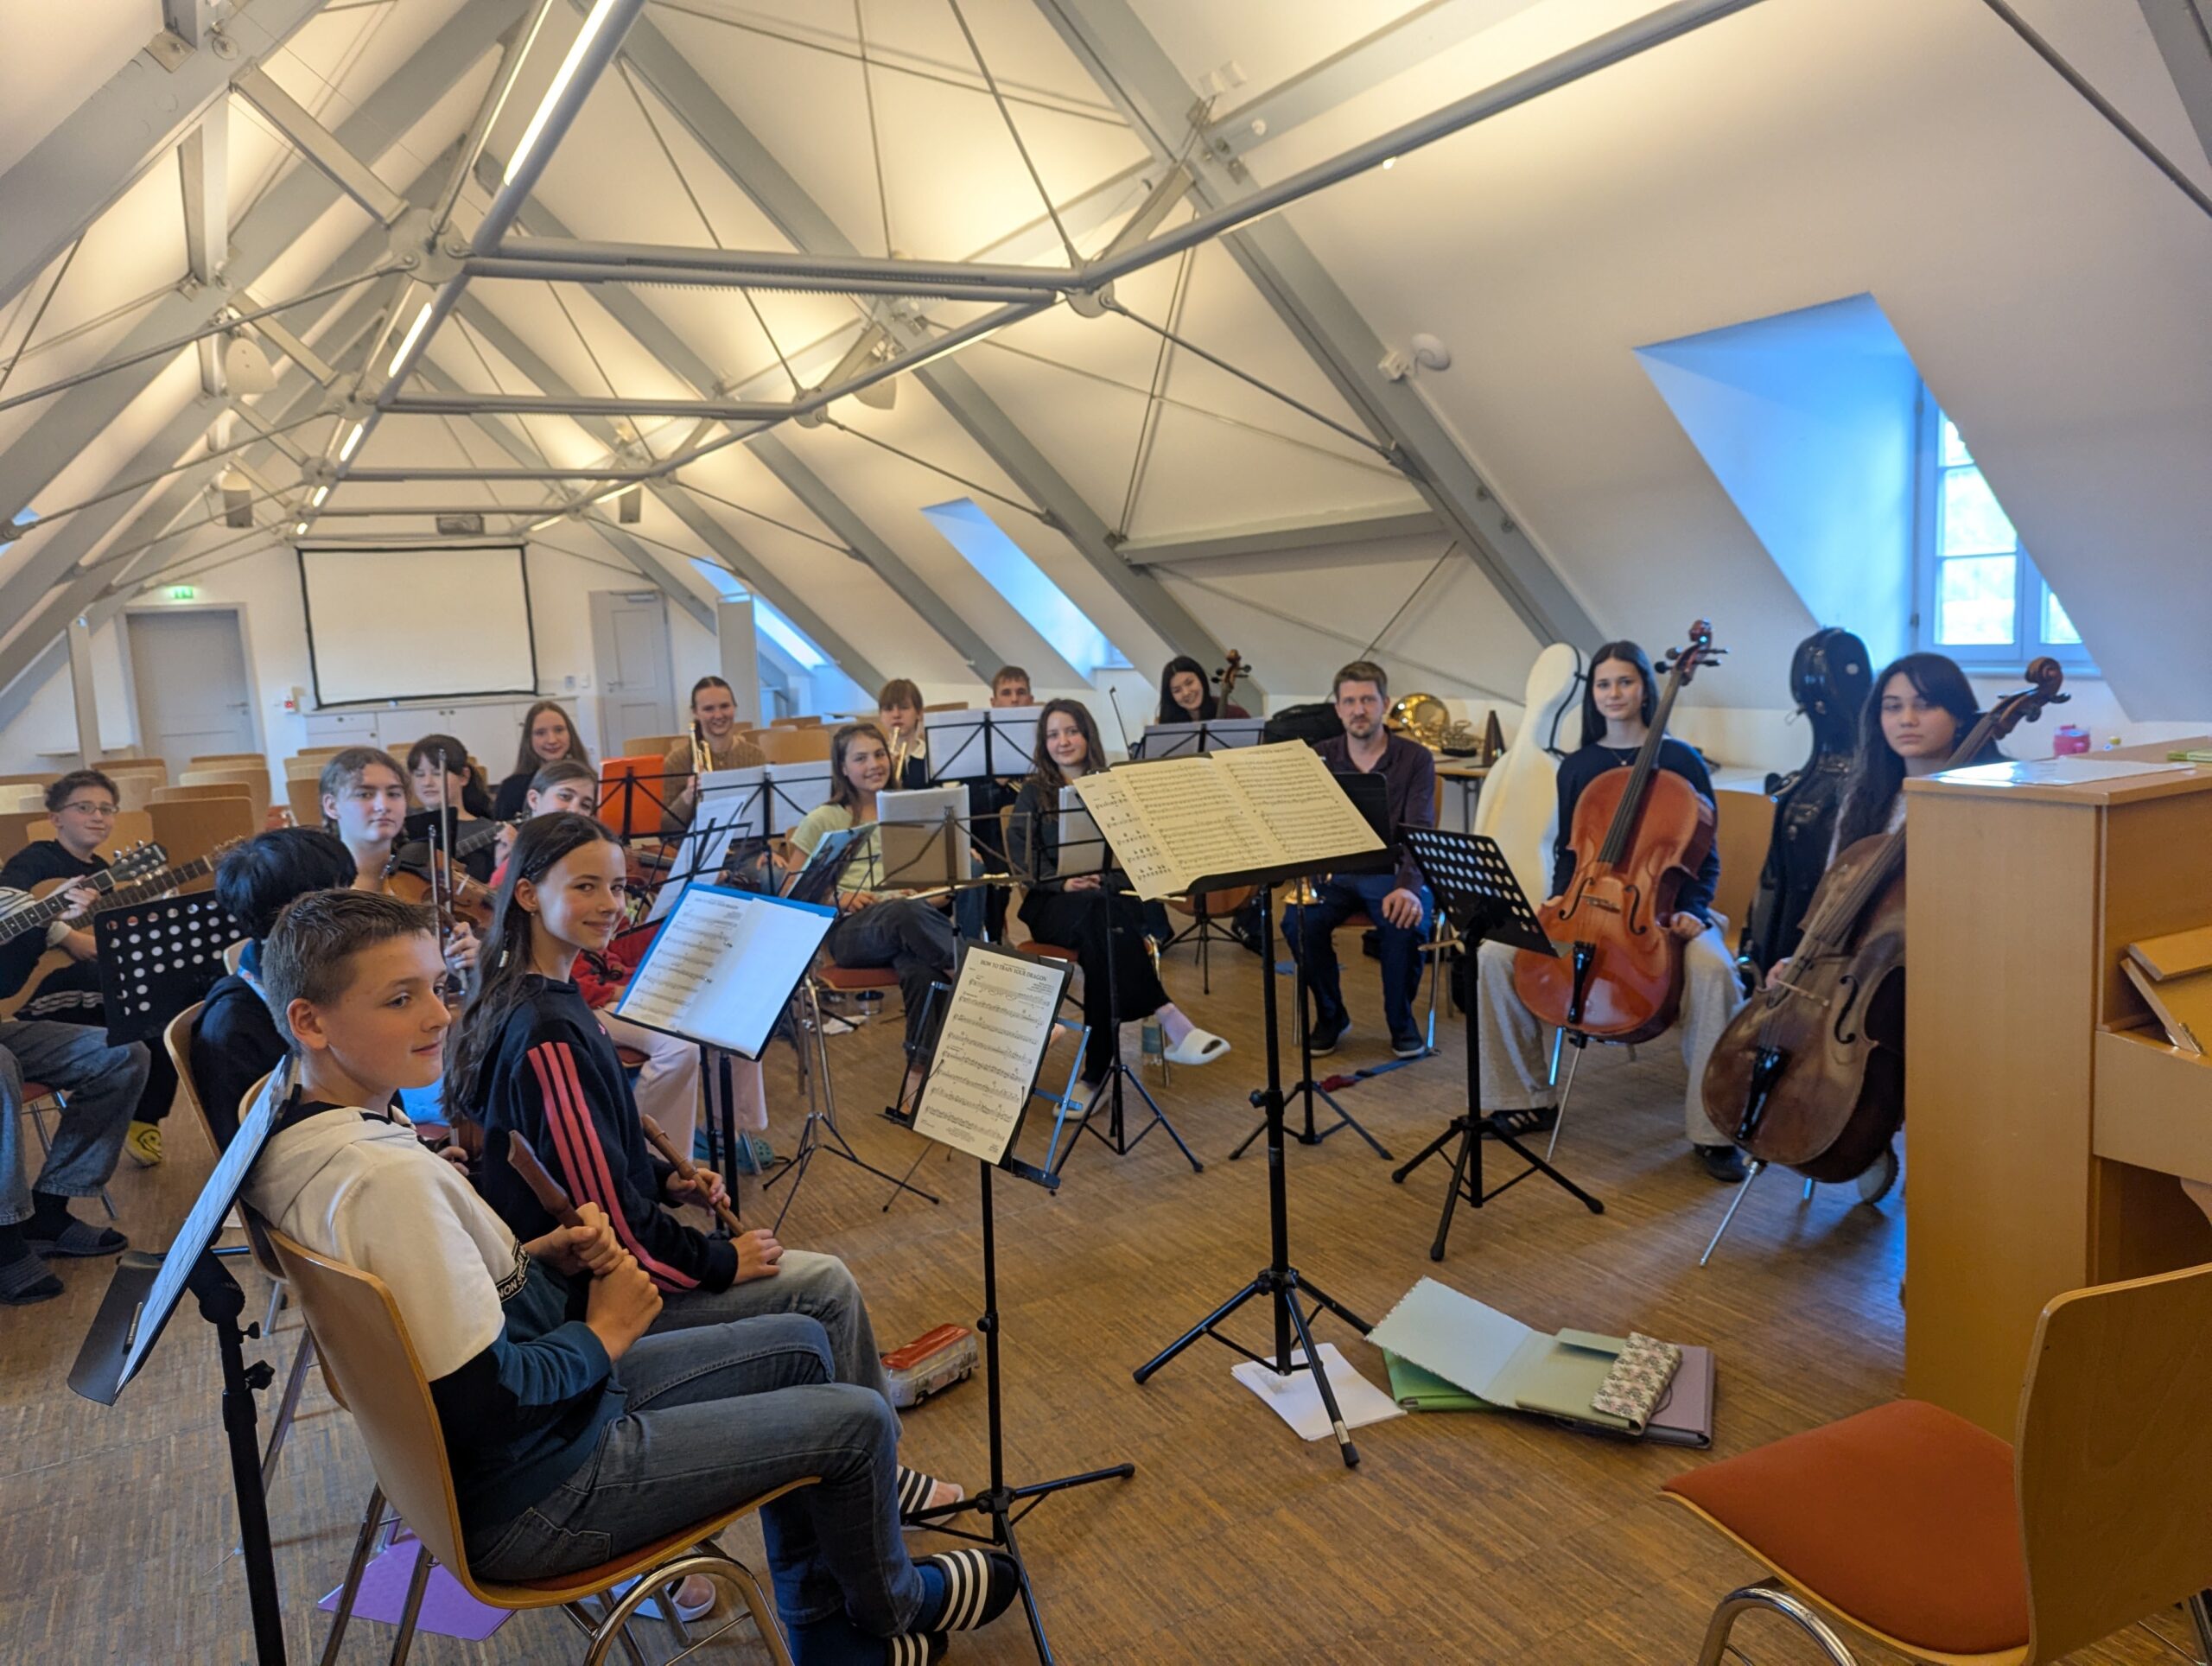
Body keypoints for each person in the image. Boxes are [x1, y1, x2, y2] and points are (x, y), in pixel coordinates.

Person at [243, 890, 1016, 1663]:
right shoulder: (386, 1182)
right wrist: (605, 1333)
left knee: (805, 1347)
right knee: (859, 1420)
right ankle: (891, 1606)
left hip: (508, 1449)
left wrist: (535, 1257)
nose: (441, 1016)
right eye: (400, 999)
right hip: (537, 1491)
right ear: (309, 1021)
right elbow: (486, 1404)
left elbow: (431, 1307)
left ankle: (830, 1632)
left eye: (439, 988)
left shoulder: (295, 1128)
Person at [1470, 640, 1747, 1181]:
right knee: (1494, 956)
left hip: (1667, 912)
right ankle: (1521, 1098)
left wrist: (1693, 911)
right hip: (1585, 904)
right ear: (1591, 694)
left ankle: (1714, 1130)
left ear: (1645, 688)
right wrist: (1559, 899)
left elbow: (1704, 858)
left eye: (1625, 682)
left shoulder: (1682, 761)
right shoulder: (1579, 766)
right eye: (1603, 684)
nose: (1614, 693)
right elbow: (1570, 851)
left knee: (1715, 972)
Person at [1009, 700, 1229, 1088]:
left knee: (1101, 948)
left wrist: (1103, 879)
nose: (1063, 741)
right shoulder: (1032, 793)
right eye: (1053, 735)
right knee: (1105, 924)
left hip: (1107, 898)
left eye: (1071, 731)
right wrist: (1063, 882)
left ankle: (1095, 1078)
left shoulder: (1112, 787)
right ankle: (1171, 1018)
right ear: (1044, 743)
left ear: (1087, 735)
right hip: (1054, 903)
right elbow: (1022, 858)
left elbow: (1137, 853)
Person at [0, 771, 180, 1164]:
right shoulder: (37, 859)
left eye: (106, 809)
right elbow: (7, 902)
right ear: (56, 818)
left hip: (55, 983)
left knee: (154, 999)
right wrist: (64, 933)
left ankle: (143, 1113)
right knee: (134, 995)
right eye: (84, 807)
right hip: (36, 986)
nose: (97, 816)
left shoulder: (102, 869)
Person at [789, 724, 957, 1106]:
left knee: (922, 969)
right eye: (860, 758)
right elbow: (791, 893)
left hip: (909, 922)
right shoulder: (824, 818)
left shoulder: (909, 810)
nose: (874, 764)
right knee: (904, 915)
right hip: (851, 933)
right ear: (842, 768)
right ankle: (982, 990)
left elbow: (943, 894)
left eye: (879, 754)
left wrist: (925, 895)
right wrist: (838, 898)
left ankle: (917, 1078)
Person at [1283, 662, 1438, 1060]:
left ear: (1384, 703)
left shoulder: (1415, 758)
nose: (1359, 710)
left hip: (1394, 874)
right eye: (1350, 701)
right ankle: (1331, 1016)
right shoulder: (1319, 756)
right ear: (1338, 709)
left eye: (1367, 700)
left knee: (1404, 921)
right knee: (1297, 922)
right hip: (1334, 875)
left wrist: (1408, 888)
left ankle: (1401, 1022)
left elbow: (1420, 830)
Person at [190, 827, 361, 1151]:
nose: (356, 907)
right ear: (290, 915)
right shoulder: (232, 1027)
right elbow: (249, 1155)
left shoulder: (320, 974)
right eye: (338, 898)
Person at [965, 666, 1033, 944]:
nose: (1014, 699)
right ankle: (991, 932)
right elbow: (969, 801)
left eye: (1021, 692)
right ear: (994, 702)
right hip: (990, 825)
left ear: (1030, 699)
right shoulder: (977, 740)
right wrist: (997, 779)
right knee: (990, 828)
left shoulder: (1044, 736)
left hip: (1029, 821)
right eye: (1006, 693)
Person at [661, 677, 766, 836]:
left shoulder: (755, 756)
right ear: (695, 713)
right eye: (709, 709)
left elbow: (768, 813)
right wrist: (687, 797)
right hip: (697, 848)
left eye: (725, 706)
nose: (718, 715)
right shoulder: (677, 761)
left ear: (735, 707)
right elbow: (664, 828)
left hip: (748, 846)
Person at [403, 734, 498, 886]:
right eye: (419, 774)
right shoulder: (402, 827)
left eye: (437, 773)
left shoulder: (490, 831)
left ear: (464, 776)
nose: (427, 782)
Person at [319, 746, 410, 890]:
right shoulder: (318, 885)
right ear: (332, 806)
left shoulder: (426, 877)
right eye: (364, 795)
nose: (383, 806)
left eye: (393, 794)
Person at [493, 700, 592, 822]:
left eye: (559, 730)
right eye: (540, 733)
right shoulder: (511, 788)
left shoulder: (591, 782)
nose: (552, 740)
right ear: (529, 739)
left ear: (570, 734)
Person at [1155, 654, 1249, 726]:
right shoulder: (1167, 726)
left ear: (1201, 679)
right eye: (1177, 690)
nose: (1186, 693)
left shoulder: (1236, 716)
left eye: (1189, 683)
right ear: (1171, 696)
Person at [875, 678, 930, 790]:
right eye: (888, 709)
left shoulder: (931, 756)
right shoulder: (876, 759)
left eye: (904, 707)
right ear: (880, 716)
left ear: (919, 713)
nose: (896, 715)